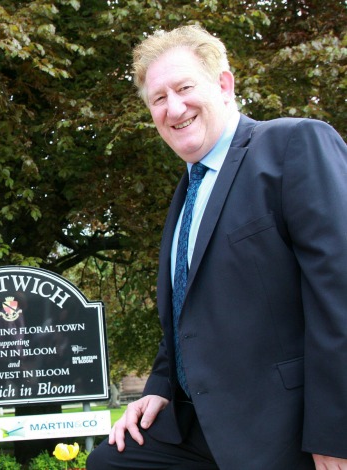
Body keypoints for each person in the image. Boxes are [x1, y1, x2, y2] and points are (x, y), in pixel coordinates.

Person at [87, 25, 347, 469]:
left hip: (283, 426)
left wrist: (336, 435)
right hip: (200, 425)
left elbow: (339, 295)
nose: (174, 107)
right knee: (111, 463)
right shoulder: (189, 189)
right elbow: (190, 312)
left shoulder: (292, 145)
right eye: (158, 99)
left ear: (223, 84)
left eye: (184, 88)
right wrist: (157, 387)